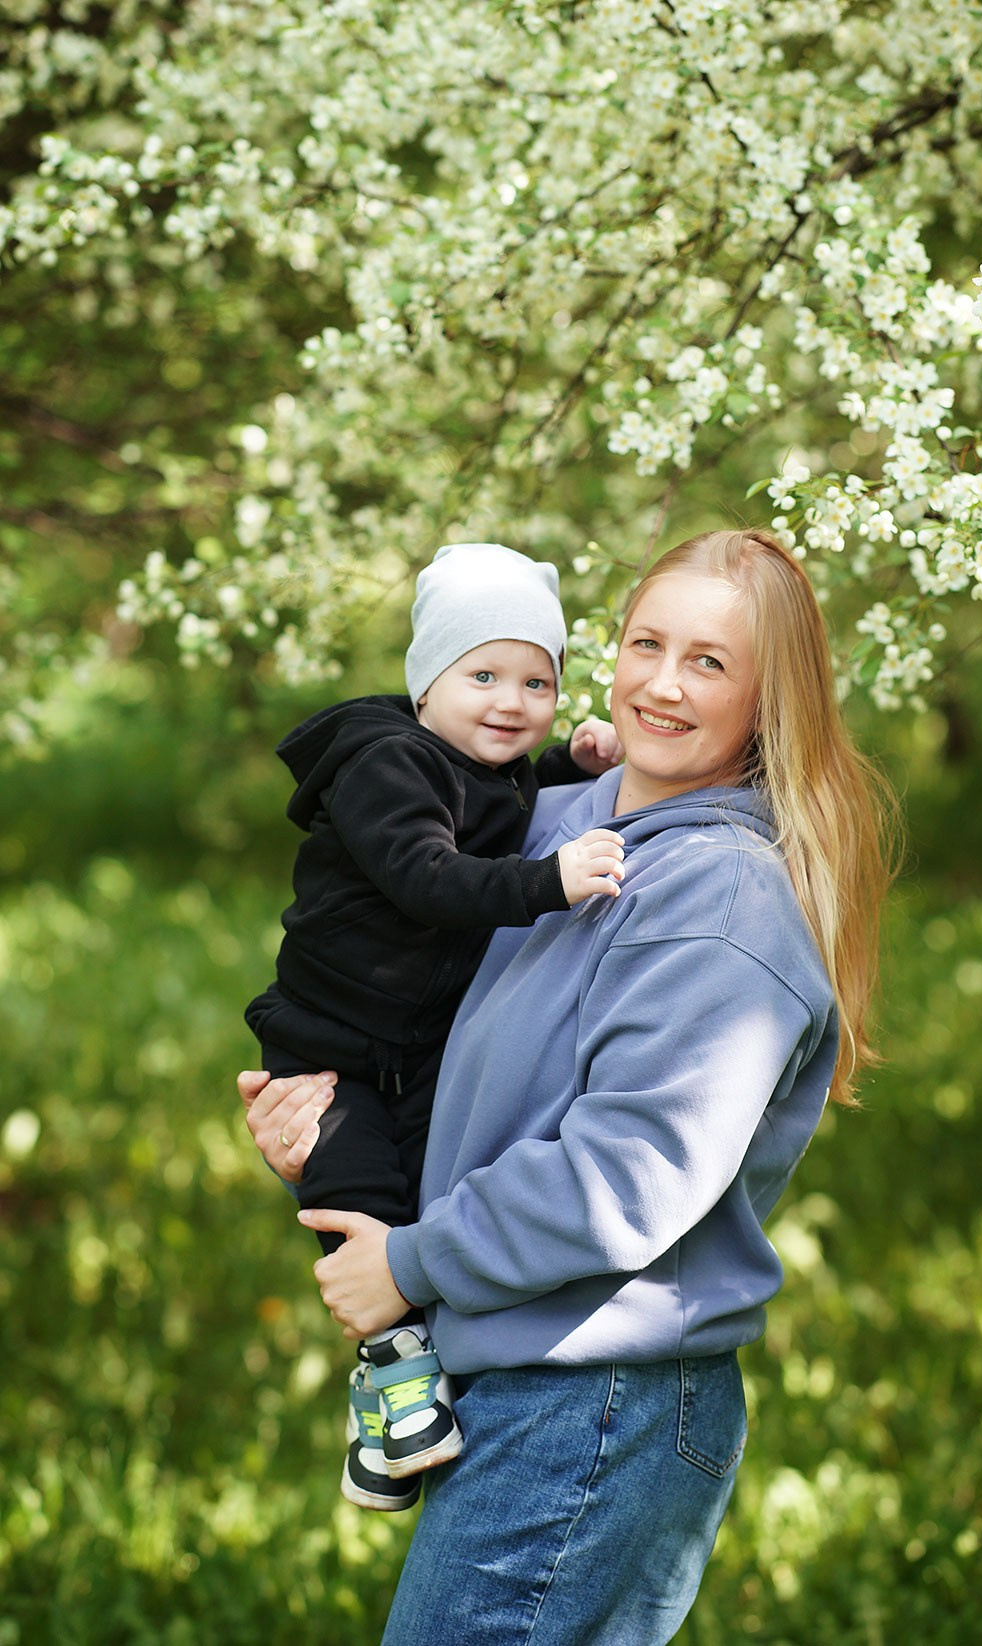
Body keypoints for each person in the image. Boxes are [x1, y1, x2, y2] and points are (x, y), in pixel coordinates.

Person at [241, 528, 896, 1646]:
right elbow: (421, 1004)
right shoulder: (553, 822)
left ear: (765, 701)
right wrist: (328, 1107)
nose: (659, 681)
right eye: (646, 642)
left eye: (707, 662)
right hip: (509, 1369)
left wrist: (408, 1260)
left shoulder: (718, 897)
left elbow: (628, 1173)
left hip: (596, 1398)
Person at [244, 541, 626, 1514]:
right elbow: (426, 872)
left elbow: (490, 796)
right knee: (356, 1192)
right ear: (426, 683)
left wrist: (563, 762)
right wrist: (549, 880)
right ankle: (394, 1375)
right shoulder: (381, 766)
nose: (510, 699)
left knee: (415, 1207)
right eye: (482, 674)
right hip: (328, 1044)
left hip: (413, 1047)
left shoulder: (474, 760)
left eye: (536, 679)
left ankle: (383, 1430)